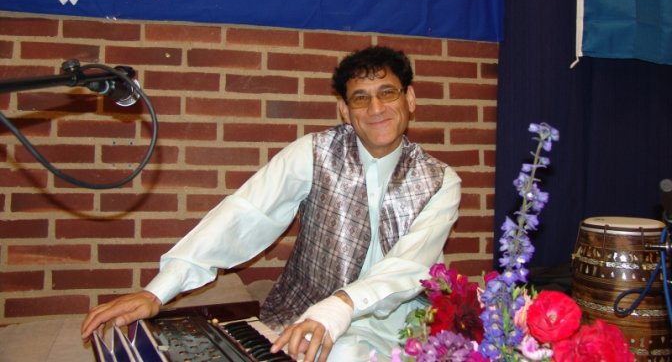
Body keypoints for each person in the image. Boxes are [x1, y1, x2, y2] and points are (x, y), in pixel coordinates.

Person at [81, 45, 461, 361]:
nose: (375, 108)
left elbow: (409, 266)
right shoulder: (313, 153)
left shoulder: (441, 180)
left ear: (410, 99)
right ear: (344, 111)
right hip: (308, 312)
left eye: (387, 92)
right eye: (360, 97)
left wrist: (340, 306)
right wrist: (157, 291)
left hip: (401, 325)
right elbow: (245, 213)